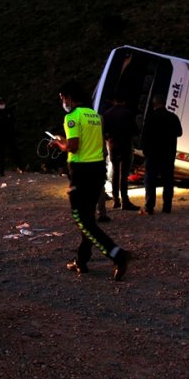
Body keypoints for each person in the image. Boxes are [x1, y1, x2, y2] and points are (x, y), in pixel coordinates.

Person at [49, 80, 130, 281]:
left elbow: (73, 146)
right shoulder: (95, 115)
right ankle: (81, 260)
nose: (62, 102)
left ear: (69, 97)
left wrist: (59, 143)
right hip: (97, 169)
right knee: (88, 218)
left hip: (81, 172)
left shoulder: (72, 117)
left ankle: (116, 254)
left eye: (62, 98)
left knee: (81, 219)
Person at [139, 94, 183, 215]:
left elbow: (144, 136)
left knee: (150, 180)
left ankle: (149, 206)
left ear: (154, 104)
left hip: (153, 154)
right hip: (168, 154)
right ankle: (167, 206)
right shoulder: (173, 117)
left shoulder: (151, 117)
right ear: (165, 103)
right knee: (168, 180)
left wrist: (145, 151)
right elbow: (179, 133)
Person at [103, 95, 139, 211]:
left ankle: (116, 200)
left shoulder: (107, 114)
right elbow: (135, 130)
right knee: (124, 175)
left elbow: (103, 132)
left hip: (112, 146)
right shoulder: (128, 113)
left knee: (115, 173)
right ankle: (125, 200)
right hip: (126, 145)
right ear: (123, 101)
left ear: (114, 100)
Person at [0, 97, 18, 176]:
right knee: (1, 154)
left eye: (2, 102)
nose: (1, 103)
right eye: (0, 102)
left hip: (9, 135)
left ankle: (20, 167)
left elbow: (13, 121)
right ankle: (1, 170)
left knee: (14, 151)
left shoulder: (8, 111)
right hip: (0, 136)